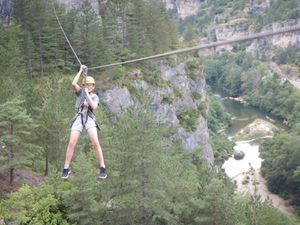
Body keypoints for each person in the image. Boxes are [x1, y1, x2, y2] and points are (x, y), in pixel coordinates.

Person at [62, 65, 107, 179]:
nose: (89, 86)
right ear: (83, 86)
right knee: (71, 143)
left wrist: (87, 94)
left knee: (95, 143)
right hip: (79, 117)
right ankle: (66, 168)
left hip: (89, 118)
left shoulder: (95, 96)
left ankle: (102, 167)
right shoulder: (79, 93)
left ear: (93, 86)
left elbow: (94, 107)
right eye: (87, 85)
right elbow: (73, 83)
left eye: (91, 85)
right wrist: (80, 70)